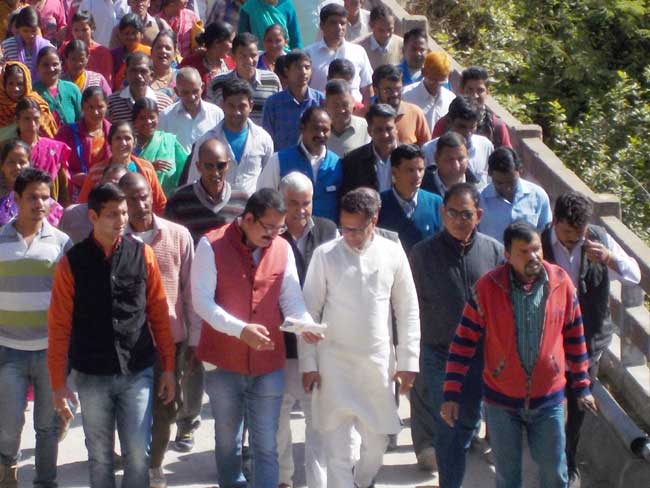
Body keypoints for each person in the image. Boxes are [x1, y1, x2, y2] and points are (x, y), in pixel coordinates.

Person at [441, 221, 596, 488]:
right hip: (501, 401)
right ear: (508, 255)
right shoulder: (487, 288)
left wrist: (582, 386)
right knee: (507, 476)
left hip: (549, 400)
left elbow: (575, 337)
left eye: (536, 249)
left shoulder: (561, 284)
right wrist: (451, 393)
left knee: (554, 473)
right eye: (523, 252)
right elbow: (463, 342)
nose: (533, 256)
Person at [48, 182, 176, 488]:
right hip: (92, 375)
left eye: (123, 213)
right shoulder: (71, 263)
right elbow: (59, 326)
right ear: (93, 217)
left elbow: (159, 314)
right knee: (100, 457)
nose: (121, 220)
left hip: (137, 370)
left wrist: (169, 368)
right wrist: (58, 384)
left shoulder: (143, 255)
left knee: (138, 454)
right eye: (112, 214)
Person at [191, 188, 317, 488]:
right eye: (269, 227)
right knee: (228, 442)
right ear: (248, 218)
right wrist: (240, 330)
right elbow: (202, 303)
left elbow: (291, 299)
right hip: (223, 363)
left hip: (267, 364)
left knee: (266, 444)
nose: (274, 235)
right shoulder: (211, 245)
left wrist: (306, 325)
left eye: (280, 228)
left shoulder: (282, 249)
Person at [300, 187, 420, 488]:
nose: (349, 235)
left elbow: (407, 309)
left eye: (356, 229)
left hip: (376, 366)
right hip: (334, 366)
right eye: (344, 228)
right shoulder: (325, 255)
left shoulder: (392, 252)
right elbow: (308, 312)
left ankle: (362, 482)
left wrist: (408, 362)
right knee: (337, 453)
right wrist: (308, 364)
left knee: (377, 445)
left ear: (373, 221)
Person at [541, 191, 640, 487]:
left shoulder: (598, 239)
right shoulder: (539, 243)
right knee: (548, 406)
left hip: (588, 341)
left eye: (579, 235)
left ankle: (568, 463)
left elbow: (634, 274)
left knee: (577, 406)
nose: (574, 241)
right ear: (555, 221)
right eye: (567, 234)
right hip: (548, 342)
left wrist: (608, 258)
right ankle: (550, 460)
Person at [409, 182, 503, 486]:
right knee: (448, 423)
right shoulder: (422, 255)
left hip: (480, 356)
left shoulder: (493, 252)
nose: (459, 220)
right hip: (439, 354)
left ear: (479, 215)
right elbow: (407, 305)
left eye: (466, 214)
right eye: (452, 213)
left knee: (467, 423)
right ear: (442, 213)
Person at [119, 171, 202, 488]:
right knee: (131, 409)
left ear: (152, 195)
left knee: (167, 407)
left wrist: (195, 340)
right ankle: (135, 463)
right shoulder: (116, 239)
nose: (140, 204)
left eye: (143, 196)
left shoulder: (178, 235)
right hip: (128, 343)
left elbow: (190, 291)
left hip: (171, 340)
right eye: (131, 199)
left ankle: (154, 465)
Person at [0, 167, 71, 488]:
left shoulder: (61, 242)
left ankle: (46, 480)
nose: (40, 203)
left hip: (50, 351)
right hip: (8, 350)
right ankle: (7, 467)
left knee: (47, 425)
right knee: (8, 423)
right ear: (16, 199)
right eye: (32, 197)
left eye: (45, 197)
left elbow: (72, 296)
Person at [276, 171, 335, 488]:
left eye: (306, 203)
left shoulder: (327, 230)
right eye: (293, 203)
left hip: (317, 344)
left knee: (318, 420)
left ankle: (317, 482)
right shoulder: (271, 233)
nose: (301, 210)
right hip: (282, 344)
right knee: (279, 417)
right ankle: (283, 478)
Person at [187, 79, 273, 195]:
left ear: (251, 106)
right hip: (216, 205)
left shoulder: (263, 139)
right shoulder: (206, 141)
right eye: (231, 106)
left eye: (242, 106)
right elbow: (193, 180)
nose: (236, 112)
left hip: (252, 205)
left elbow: (268, 181)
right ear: (222, 105)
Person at [257, 107, 341, 222]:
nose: (321, 134)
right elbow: (263, 200)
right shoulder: (279, 160)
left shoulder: (337, 164)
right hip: (286, 230)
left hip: (326, 231)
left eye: (325, 130)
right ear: (302, 127)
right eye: (316, 129)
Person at [164, 138, 248, 245]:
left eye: (221, 166)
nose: (215, 172)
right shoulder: (178, 200)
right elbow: (169, 241)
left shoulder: (241, 199)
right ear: (198, 167)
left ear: (228, 165)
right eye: (209, 166)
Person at [77, 120, 167, 214]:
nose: (123, 143)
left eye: (127, 138)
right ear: (110, 142)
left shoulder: (146, 169)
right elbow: (82, 206)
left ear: (134, 142)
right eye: (118, 138)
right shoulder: (96, 172)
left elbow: (160, 204)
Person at [305, 3, 373, 108]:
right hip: (321, 113)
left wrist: (365, 112)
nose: (339, 27)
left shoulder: (358, 52)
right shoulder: (308, 54)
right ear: (322, 25)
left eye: (343, 23)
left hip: (355, 112)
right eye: (333, 23)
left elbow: (367, 88)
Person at [207, 32, 282, 126]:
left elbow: (279, 113)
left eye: (253, 55)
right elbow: (210, 116)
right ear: (233, 56)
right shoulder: (218, 83)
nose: (249, 61)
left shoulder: (272, 81)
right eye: (243, 56)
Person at [478, 147, 552, 243]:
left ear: (520, 170)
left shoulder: (538, 196)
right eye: (499, 183)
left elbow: (546, 234)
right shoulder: (479, 199)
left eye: (511, 182)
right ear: (489, 173)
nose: (506, 188)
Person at [378, 144, 442, 252]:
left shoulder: (436, 203)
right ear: (394, 172)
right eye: (410, 170)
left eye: (420, 169)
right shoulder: (379, 204)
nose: (417, 176)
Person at [432, 66, 512, 149]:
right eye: (470, 89)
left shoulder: (496, 126)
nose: (475, 95)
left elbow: (507, 155)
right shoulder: (445, 124)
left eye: (480, 90)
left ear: (487, 92)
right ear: (461, 90)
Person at [423, 96, 494, 187]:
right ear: (449, 122)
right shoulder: (429, 150)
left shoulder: (485, 146)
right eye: (462, 126)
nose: (468, 133)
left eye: (472, 127)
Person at [55, 86, 112, 199]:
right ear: (82, 108)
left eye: (100, 107)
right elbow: (55, 162)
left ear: (107, 107)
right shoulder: (66, 132)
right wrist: (72, 176)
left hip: (107, 193)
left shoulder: (113, 133)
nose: (95, 112)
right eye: (90, 107)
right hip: (73, 193)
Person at [262, 49, 325, 151]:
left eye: (307, 67)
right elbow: (266, 138)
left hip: (313, 158)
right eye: (298, 67)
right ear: (286, 71)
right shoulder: (273, 103)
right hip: (282, 159)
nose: (303, 72)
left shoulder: (320, 100)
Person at [15, 97, 71, 205]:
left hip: (48, 208)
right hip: (15, 208)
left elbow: (63, 189)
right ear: (17, 121)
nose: (32, 124)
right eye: (27, 119)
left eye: (36, 119)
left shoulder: (53, 149)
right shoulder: (9, 150)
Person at [158, 67, 224, 153]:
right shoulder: (165, 117)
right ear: (177, 92)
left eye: (195, 91)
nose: (191, 97)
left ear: (202, 88)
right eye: (185, 93)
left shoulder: (216, 114)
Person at [131, 97, 188, 195]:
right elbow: (124, 173)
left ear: (158, 118)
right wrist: (149, 167)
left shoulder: (169, 142)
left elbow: (186, 170)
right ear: (134, 121)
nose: (148, 122)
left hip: (170, 200)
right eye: (142, 118)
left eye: (152, 117)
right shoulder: (129, 146)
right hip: (137, 199)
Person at [59, 163, 128, 243]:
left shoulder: (133, 219)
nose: (114, 189)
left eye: (119, 185)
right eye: (110, 183)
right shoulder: (73, 214)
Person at [339, 103, 398, 196]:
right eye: (379, 130)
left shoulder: (409, 157)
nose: (385, 135)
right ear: (369, 131)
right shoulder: (353, 161)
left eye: (389, 129)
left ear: (396, 129)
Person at [373, 63, 430, 146]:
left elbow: (427, 149)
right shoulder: (364, 117)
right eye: (388, 90)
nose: (395, 94)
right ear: (375, 91)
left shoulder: (415, 113)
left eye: (398, 89)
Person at [106, 52, 173, 123]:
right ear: (125, 74)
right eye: (133, 71)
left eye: (143, 71)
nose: (138, 76)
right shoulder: (111, 103)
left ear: (151, 75)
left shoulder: (165, 103)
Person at [0, 61, 58, 143]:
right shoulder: (2, 108)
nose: (15, 88)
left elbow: (50, 138)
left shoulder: (36, 105)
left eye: (20, 84)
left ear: (26, 83)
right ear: (3, 84)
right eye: (10, 84)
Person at [402, 51, 456, 132]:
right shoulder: (406, 96)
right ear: (423, 72)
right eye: (432, 80)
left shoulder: (451, 99)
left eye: (442, 81)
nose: (437, 85)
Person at [179, 21, 234, 93]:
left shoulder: (231, 63)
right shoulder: (191, 64)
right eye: (230, 42)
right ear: (216, 42)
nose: (232, 46)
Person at [33, 46, 83, 127]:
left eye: (55, 64)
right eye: (45, 65)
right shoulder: (32, 92)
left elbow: (82, 120)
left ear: (61, 65)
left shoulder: (72, 89)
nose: (51, 69)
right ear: (37, 67)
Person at [1, 7, 53, 82]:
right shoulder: (7, 46)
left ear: (39, 28)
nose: (30, 35)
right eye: (25, 31)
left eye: (34, 31)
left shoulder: (47, 48)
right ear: (18, 29)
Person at [420, 131, 479, 198]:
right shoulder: (419, 190)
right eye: (450, 159)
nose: (456, 166)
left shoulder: (478, 190)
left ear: (468, 157)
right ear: (436, 158)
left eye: (460, 159)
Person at [67, 11, 114, 88]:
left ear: (92, 29)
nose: (80, 34)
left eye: (84, 30)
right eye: (76, 30)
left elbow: (107, 82)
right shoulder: (66, 48)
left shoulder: (102, 52)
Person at [323, 78, 369, 157]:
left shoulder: (366, 127)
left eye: (345, 105)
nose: (341, 110)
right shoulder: (318, 130)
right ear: (326, 105)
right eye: (335, 106)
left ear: (353, 102)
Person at [111, 14, 152, 91]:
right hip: (118, 94)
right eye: (127, 33)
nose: (131, 36)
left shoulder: (149, 53)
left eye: (134, 33)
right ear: (120, 35)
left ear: (142, 34)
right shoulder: (114, 55)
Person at [356, 5, 403, 70]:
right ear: (371, 25)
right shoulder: (358, 48)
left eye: (390, 29)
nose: (386, 34)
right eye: (381, 30)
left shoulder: (403, 46)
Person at [149, 30, 178, 99]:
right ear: (151, 52)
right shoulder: (142, 75)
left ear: (174, 53)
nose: (163, 51)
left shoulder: (181, 77)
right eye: (159, 47)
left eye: (168, 48)